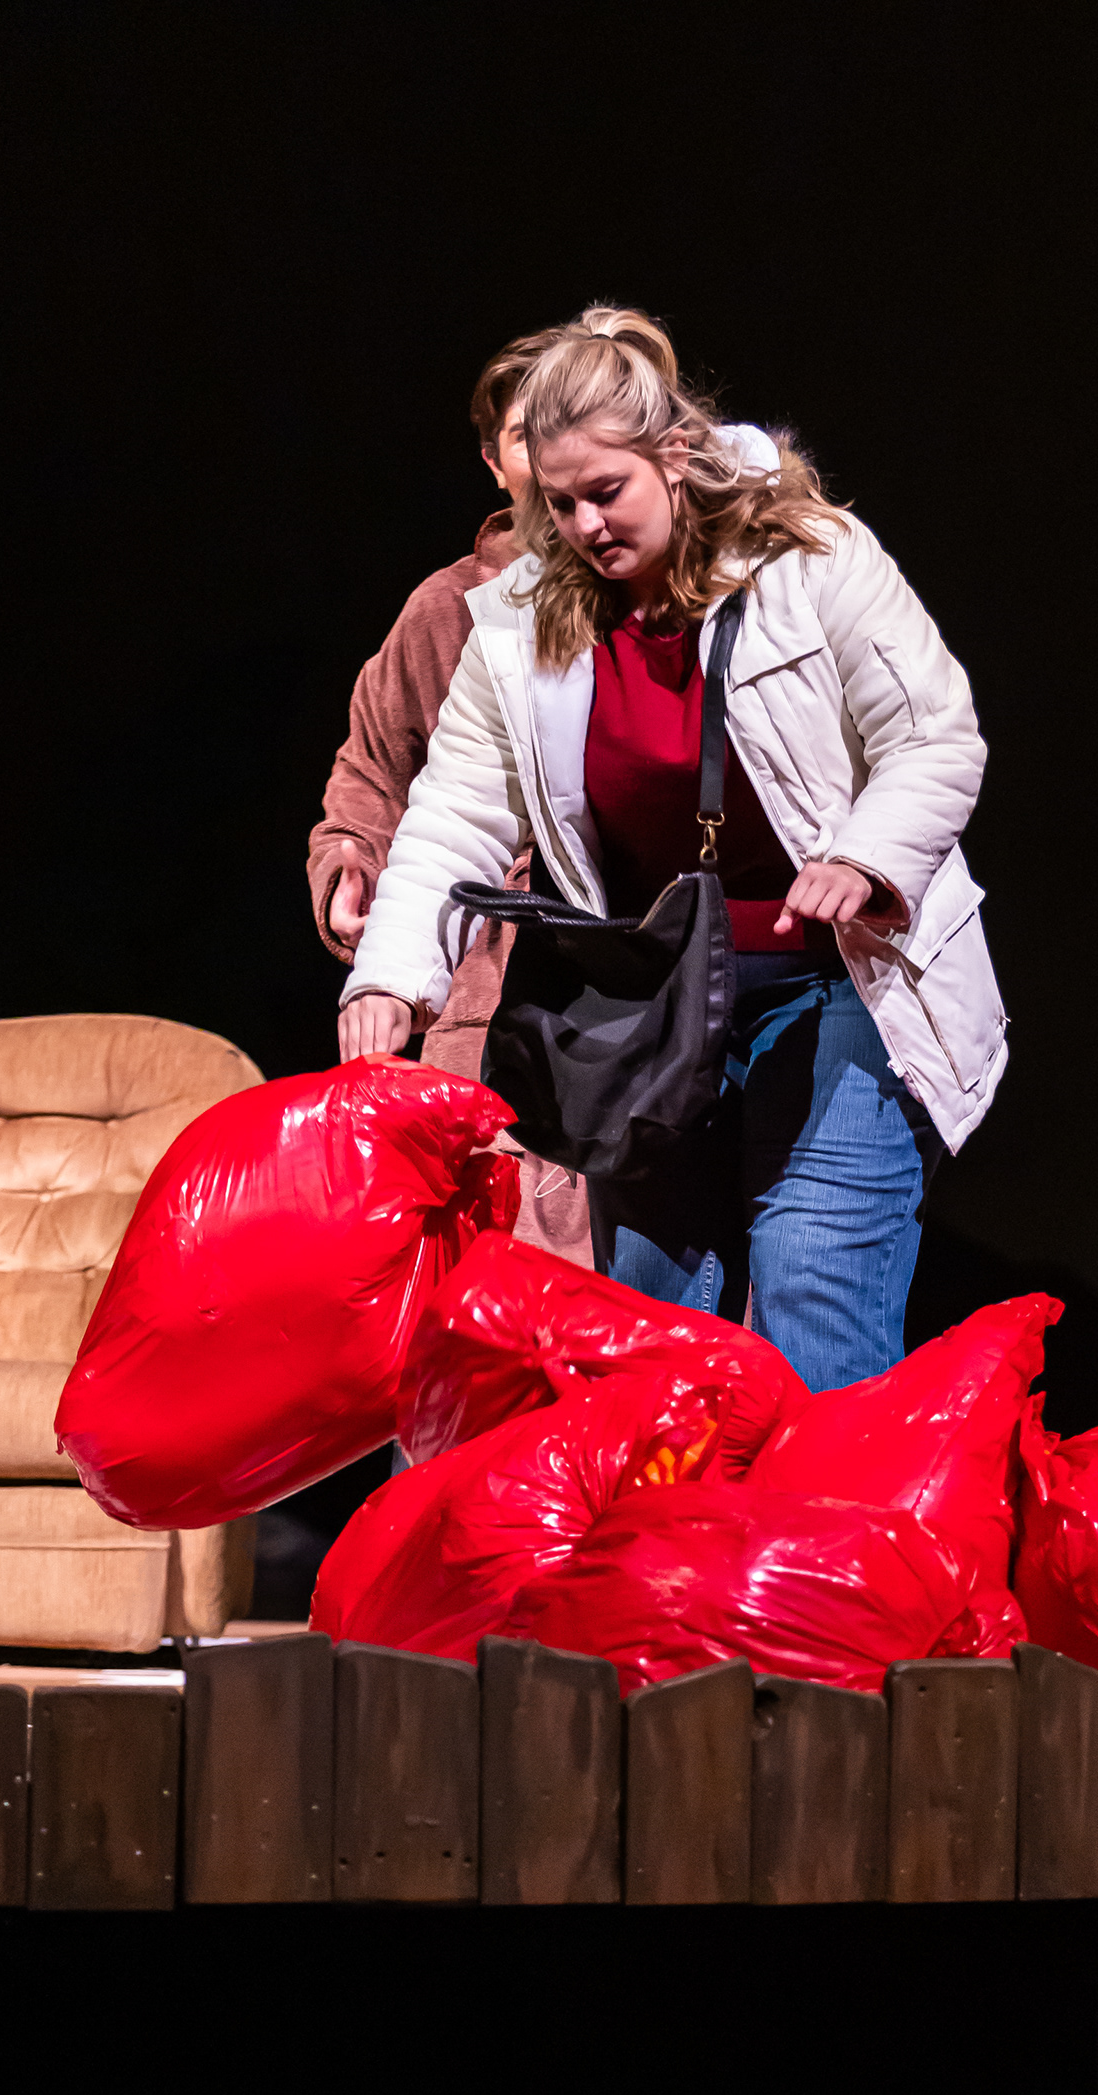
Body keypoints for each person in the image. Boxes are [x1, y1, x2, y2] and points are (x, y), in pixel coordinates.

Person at [336, 310, 1006, 1392]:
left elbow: (933, 736)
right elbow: (453, 810)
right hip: (655, 1008)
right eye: (561, 505)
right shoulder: (517, 623)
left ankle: (820, 1514)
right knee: (653, 1346)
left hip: (839, 986)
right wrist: (390, 976)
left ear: (677, 456)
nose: (587, 525)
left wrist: (866, 859)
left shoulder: (811, 560)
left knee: (815, 1306)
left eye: (608, 492)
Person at [307, 322, 602, 1262]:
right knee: (497, 1267)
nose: (549, 454)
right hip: (485, 987)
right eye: (524, 435)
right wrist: (350, 864)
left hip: (629, 978)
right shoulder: (452, 608)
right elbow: (372, 772)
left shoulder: (646, 582)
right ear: (494, 461)